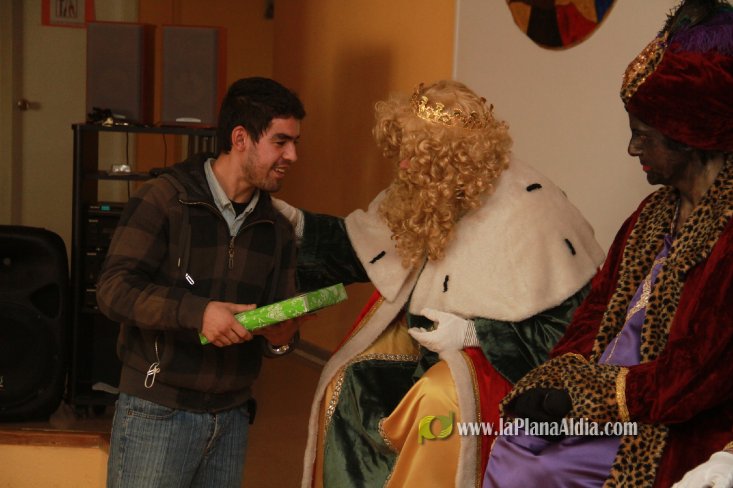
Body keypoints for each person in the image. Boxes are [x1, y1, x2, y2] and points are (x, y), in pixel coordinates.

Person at [274, 79, 605, 487]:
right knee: (350, 377)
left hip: (495, 372)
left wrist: (476, 334)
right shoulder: (427, 189)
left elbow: (574, 333)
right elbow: (366, 248)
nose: (403, 167)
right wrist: (294, 224)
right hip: (425, 352)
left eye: (417, 155)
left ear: (453, 159)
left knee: (437, 400)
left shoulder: (532, 211)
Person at [483, 1, 733, 486]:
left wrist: (588, 397)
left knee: (534, 465)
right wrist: (559, 379)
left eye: (643, 136)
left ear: (687, 137)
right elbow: (593, 313)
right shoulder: (651, 213)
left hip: (667, 417)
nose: (632, 148)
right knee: (515, 438)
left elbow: (698, 376)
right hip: (602, 399)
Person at [96, 77, 306, 487]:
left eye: (295, 143)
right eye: (280, 142)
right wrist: (198, 313)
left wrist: (281, 338)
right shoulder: (163, 199)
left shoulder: (277, 228)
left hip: (232, 417)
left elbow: (277, 327)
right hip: (156, 412)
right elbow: (113, 290)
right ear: (240, 138)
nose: (292, 155)